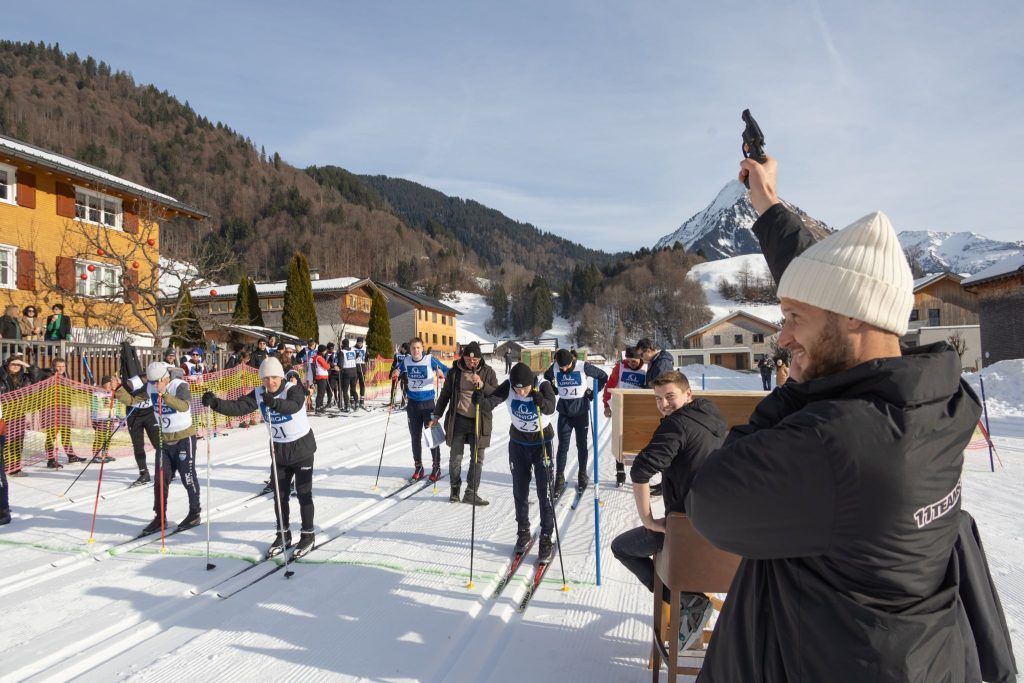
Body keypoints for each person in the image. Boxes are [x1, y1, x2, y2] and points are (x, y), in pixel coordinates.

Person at [684, 153, 996, 681]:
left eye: (791, 320)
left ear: (853, 316)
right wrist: (768, 206)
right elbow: (833, 298)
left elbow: (710, 499)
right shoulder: (933, 402)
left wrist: (794, 389)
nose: (782, 340)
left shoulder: (835, 443)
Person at [610, 371, 725, 652]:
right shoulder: (712, 415)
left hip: (687, 531)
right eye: (658, 399)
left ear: (688, 394)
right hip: (720, 527)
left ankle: (688, 599)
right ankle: (692, 606)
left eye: (670, 396)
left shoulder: (675, 426)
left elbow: (640, 471)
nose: (664, 404)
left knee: (622, 547)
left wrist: (648, 520)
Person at [204, 357, 317, 558]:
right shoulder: (259, 393)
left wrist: (274, 403)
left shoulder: (292, 389)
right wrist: (215, 403)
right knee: (279, 495)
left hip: (302, 449)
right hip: (279, 450)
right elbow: (239, 407)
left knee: (303, 492)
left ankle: (308, 534)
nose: (270, 382)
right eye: (265, 378)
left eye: (274, 377)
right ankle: (283, 534)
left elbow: (293, 406)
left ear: (281, 376)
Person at [481, 363, 557, 562]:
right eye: (517, 389)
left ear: (531, 382)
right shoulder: (509, 386)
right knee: (520, 490)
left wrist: (542, 401)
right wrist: (480, 401)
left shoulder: (543, 384)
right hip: (518, 444)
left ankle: (546, 537)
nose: (521, 392)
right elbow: (493, 400)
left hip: (542, 443)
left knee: (545, 492)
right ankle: (523, 531)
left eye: (524, 388)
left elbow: (551, 406)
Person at [122, 362, 201, 535]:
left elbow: (184, 406)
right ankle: (160, 517)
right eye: (152, 382)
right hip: (164, 440)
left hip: (183, 438)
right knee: (160, 480)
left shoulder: (179, 385)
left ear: (166, 378)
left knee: (188, 477)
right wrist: (117, 390)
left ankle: (195, 513)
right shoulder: (151, 386)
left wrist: (164, 394)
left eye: (158, 382)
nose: (154, 385)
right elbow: (133, 400)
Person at [430, 341, 498, 505]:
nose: (471, 362)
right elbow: (445, 395)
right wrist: (436, 415)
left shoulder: (488, 372)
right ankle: (455, 490)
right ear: (463, 357)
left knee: (477, 459)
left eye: (474, 360)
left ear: (480, 359)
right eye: (468, 359)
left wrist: (482, 385)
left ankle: (471, 492)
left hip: (479, 421)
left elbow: (497, 394)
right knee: (455, 458)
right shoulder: (455, 372)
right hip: (459, 419)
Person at [543, 347, 607, 495]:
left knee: (581, 445)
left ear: (572, 361)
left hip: (580, 411)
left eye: (566, 366)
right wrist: (553, 387)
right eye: (561, 367)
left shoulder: (582, 366)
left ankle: (582, 474)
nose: (564, 369)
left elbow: (603, 376)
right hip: (564, 411)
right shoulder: (555, 367)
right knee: (563, 446)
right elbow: (547, 377)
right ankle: (559, 477)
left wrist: (592, 392)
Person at [390, 337, 448, 481]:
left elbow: (447, 371)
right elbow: (395, 370)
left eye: (418, 348)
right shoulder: (406, 360)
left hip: (428, 405)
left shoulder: (430, 360)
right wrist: (395, 373)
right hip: (413, 405)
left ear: (422, 348)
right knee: (415, 437)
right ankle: (419, 467)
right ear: (409, 350)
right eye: (413, 348)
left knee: (431, 437)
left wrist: (442, 374)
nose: (416, 350)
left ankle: (436, 467)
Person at [602, 346, 647, 485]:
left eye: (633, 361)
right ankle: (620, 472)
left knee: (640, 440)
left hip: (639, 410)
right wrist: (606, 405)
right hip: (621, 407)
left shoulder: (646, 368)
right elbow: (609, 385)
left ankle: (641, 471)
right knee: (620, 439)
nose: (631, 364)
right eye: (628, 361)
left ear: (640, 358)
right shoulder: (620, 367)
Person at [113, 374, 156, 488]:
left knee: (158, 443)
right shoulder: (129, 383)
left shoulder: (152, 383)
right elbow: (119, 394)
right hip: (134, 415)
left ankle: (167, 469)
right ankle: (144, 473)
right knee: (138, 445)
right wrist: (118, 386)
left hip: (150, 414)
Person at [43, 357, 85, 468]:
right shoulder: (49, 376)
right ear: (53, 367)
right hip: (52, 410)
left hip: (65, 409)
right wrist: (52, 375)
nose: (61, 368)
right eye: (58, 366)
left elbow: (68, 392)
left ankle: (71, 456)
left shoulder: (65, 376)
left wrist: (76, 388)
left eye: (63, 366)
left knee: (66, 434)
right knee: (51, 436)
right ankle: (51, 460)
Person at [0, 354, 34, 475]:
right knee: (5, 440)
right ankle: (5, 467)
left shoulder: (24, 378)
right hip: (3, 413)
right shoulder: (1, 376)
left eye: (18, 365)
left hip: (19, 413)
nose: (15, 367)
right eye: (13, 364)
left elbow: (38, 375)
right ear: (7, 365)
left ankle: (15, 468)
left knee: (18, 440)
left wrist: (25, 364)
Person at [89, 375, 118, 464]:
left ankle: (105, 453)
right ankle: (96, 454)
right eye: (108, 384)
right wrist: (93, 418)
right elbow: (94, 407)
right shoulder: (98, 394)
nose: (110, 386)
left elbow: (116, 406)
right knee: (100, 437)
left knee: (108, 437)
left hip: (111, 418)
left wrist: (117, 416)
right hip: (101, 418)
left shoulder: (114, 393)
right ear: (103, 385)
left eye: (111, 384)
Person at [338, 339, 360, 412]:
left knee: (345, 390)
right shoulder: (353, 351)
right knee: (353, 389)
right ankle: (357, 403)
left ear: (343, 344)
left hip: (346, 372)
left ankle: (347, 406)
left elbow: (340, 364)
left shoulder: (342, 352)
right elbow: (357, 355)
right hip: (354, 372)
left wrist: (337, 366)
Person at [310, 344, 331, 414]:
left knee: (321, 393)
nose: (326, 352)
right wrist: (329, 364)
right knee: (321, 393)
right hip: (321, 377)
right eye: (325, 351)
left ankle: (320, 406)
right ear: (322, 351)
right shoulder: (319, 358)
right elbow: (326, 367)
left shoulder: (316, 357)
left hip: (320, 376)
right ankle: (318, 407)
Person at [391, 343, 410, 408]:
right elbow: (394, 363)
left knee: (404, 387)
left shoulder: (408, 355)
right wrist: (391, 372)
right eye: (404, 348)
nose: (404, 350)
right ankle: (392, 401)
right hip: (397, 372)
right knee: (394, 386)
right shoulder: (397, 354)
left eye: (405, 349)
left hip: (404, 372)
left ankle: (403, 401)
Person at [354, 336, 368, 409]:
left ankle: (361, 401)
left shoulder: (365, 348)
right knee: (353, 383)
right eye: (358, 343)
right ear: (357, 342)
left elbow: (366, 359)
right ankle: (352, 400)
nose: (360, 344)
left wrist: (367, 357)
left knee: (362, 383)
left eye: (361, 343)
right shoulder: (353, 348)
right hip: (355, 366)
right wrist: (355, 356)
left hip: (362, 366)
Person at [323, 342, 337, 409]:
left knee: (332, 388)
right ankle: (331, 401)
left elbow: (336, 363)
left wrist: (332, 364)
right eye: (330, 348)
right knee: (328, 388)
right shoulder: (324, 354)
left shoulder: (335, 354)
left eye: (332, 348)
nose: (332, 349)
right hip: (326, 373)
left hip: (333, 373)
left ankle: (331, 401)